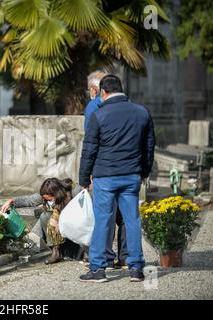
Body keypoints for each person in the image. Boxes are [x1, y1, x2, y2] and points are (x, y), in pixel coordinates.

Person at [79, 74, 155, 283]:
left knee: (103, 221)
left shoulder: (99, 114)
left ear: (103, 92)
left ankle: (98, 270)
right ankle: (136, 268)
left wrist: (84, 178)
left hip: (105, 176)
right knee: (132, 221)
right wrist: (144, 172)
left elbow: (89, 149)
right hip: (131, 175)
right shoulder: (142, 112)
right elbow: (149, 146)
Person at [84, 71, 129, 270]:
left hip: (104, 169)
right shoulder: (128, 106)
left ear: (96, 90)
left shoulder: (94, 107)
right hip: (128, 168)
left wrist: (87, 175)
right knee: (126, 217)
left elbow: (90, 143)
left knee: (106, 216)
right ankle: (126, 257)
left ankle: (106, 259)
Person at [1, 178, 85, 264]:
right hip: (58, 232)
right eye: (47, 200)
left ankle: (81, 252)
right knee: (45, 216)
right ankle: (56, 252)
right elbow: (29, 200)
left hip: (75, 230)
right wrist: (12, 201)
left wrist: (62, 218)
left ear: (57, 193)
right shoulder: (46, 194)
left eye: (50, 200)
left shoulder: (74, 192)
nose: (49, 202)